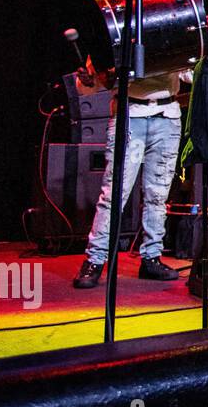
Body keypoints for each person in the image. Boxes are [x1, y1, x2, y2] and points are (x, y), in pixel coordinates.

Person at [73, 64, 187, 289]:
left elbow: (191, 74)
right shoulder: (119, 29)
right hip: (129, 114)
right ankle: (95, 259)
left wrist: (200, 46)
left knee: (157, 195)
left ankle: (151, 257)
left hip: (166, 115)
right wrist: (86, 80)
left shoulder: (173, 28)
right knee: (115, 193)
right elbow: (91, 84)